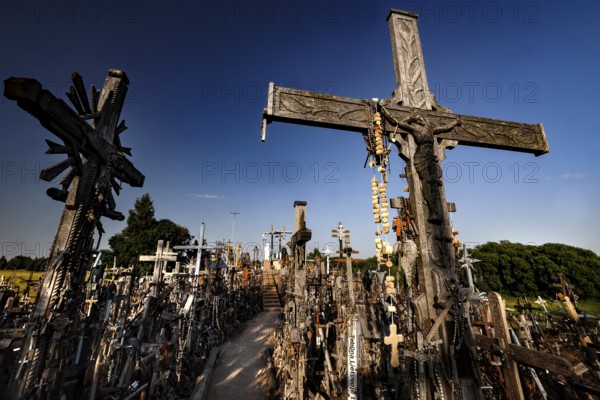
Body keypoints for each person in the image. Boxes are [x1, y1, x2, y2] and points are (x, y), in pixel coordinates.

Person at [396, 112, 460, 223]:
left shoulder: (430, 128)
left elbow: (445, 127)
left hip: (431, 157)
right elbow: (399, 122)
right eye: (417, 119)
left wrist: (455, 122)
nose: (420, 120)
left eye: (420, 118)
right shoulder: (414, 128)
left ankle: (435, 210)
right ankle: (431, 209)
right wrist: (409, 117)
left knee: (435, 182)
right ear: (415, 121)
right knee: (426, 181)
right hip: (420, 157)